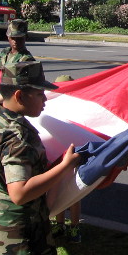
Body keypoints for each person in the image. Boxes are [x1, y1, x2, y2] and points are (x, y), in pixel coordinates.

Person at [0, 61, 80, 255]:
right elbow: (19, 192)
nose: (45, 100)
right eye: (39, 94)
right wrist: (65, 167)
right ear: (19, 95)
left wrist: (5, 93)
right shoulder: (17, 137)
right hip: (19, 245)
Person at [50, 74, 83, 244]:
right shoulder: (51, 106)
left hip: (73, 154)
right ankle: (59, 223)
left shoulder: (77, 106)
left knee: (74, 193)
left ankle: (75, 226)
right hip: (57, 155)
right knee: (57, 190)